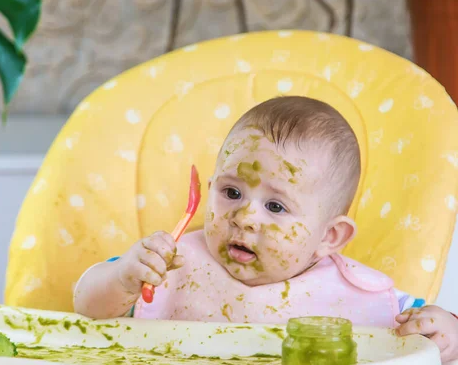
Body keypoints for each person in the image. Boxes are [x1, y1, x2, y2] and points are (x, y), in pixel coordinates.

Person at [73, 96, 458, 362]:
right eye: (231, 192)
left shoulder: (360, 297)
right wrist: (123, 278)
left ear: (329, 237)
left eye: (275, 206)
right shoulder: (174, 263)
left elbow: (423, 339)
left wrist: (446, 334)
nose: (245, 217)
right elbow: (87, 309)